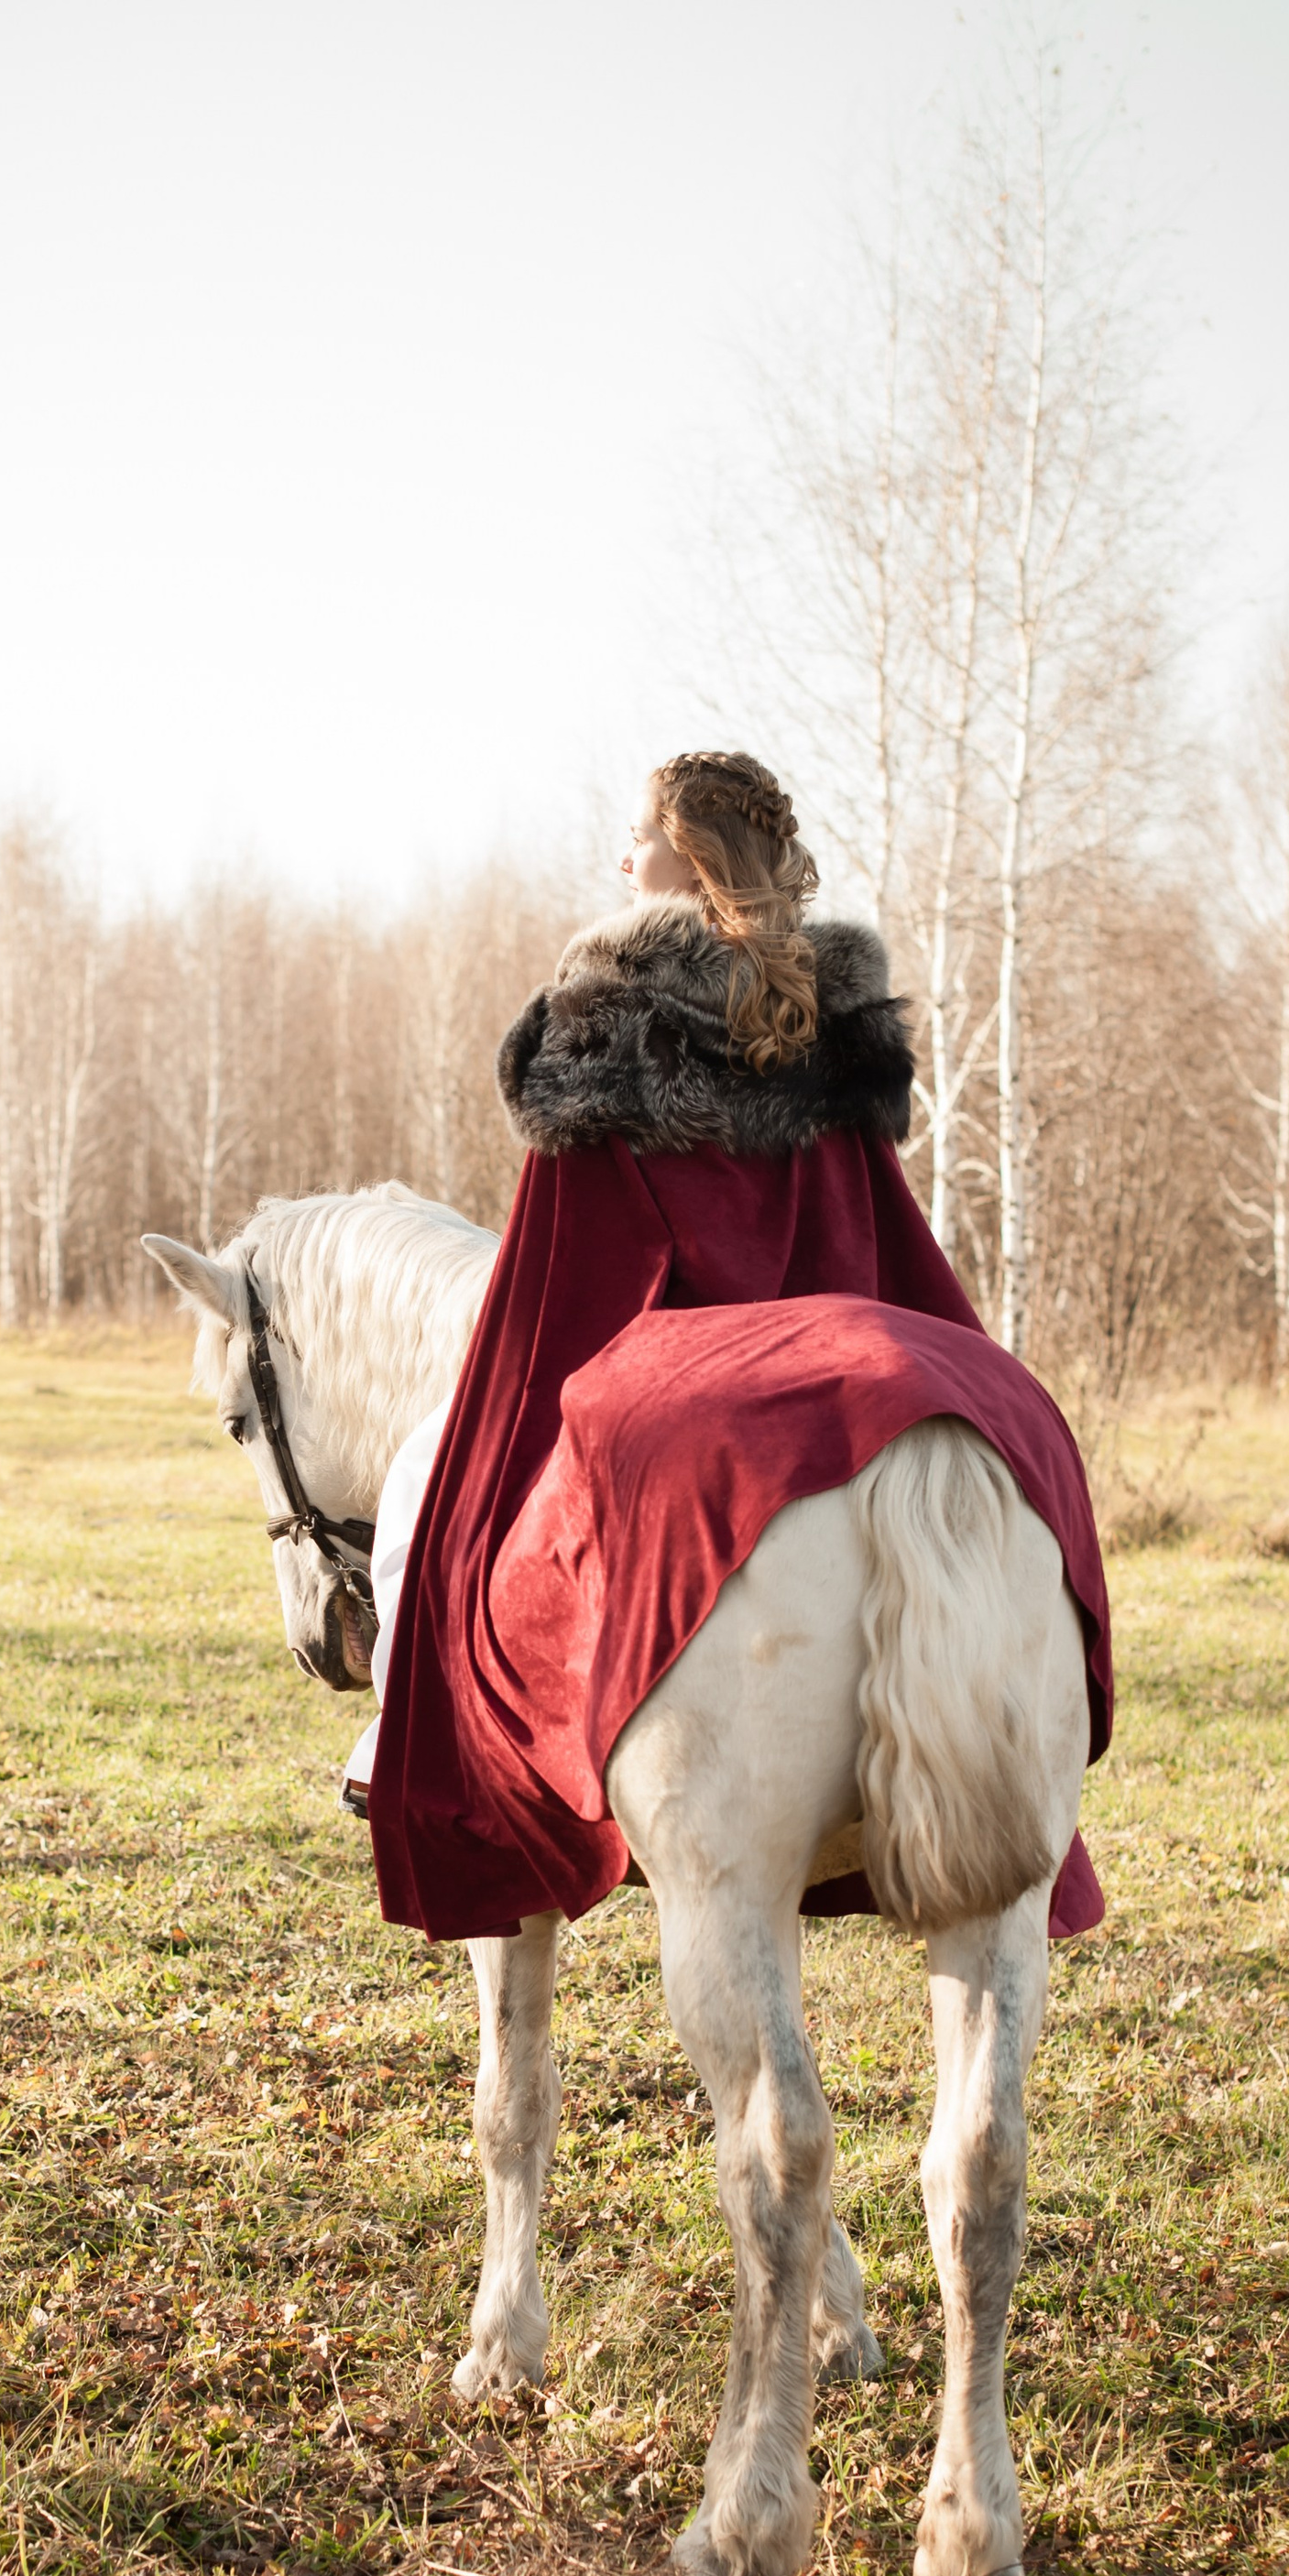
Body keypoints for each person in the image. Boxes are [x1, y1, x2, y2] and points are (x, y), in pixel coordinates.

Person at [361, 747, 1108, 1941]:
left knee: (432, 1494)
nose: (621, 859)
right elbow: (874, 1247)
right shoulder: (831, 1031)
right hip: (832, 1361)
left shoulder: (602, 1028)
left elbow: (563, 1285)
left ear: (688, 862)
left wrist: (498, 1438)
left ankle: (432, 1760)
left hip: (676, 1366)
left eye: (638, 838)